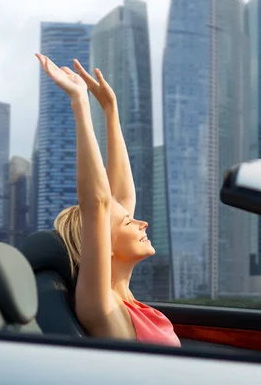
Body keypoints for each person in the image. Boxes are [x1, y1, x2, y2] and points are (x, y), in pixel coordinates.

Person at [35, 53, 180, 348]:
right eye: (129, 221)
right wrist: (80, 104)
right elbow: (98, 203)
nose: (142, 222)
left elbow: (118, 199)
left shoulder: (131, 306)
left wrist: (111, 111)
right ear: (105, 244)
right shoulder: (104, 310)